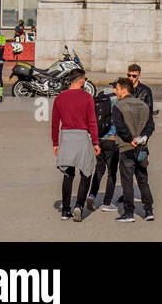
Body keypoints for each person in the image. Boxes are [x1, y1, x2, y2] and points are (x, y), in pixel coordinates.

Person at [51, 69, 100, 222]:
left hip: (66, 137)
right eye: (84, 79)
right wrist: (95, 142)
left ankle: (65, 210)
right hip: (81, 137)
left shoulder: (60, 97)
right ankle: (79, 205)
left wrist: (55, 143)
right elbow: (92, 122)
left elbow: (55, 123)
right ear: (80, 81)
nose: (85, 81)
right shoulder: (87, 97)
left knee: (68, 174)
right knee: (86, 172)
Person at [111, 76, 154, 222]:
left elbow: (120, 126)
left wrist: (130, 139)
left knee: (127, 181)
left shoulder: (118, 106)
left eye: (117, 89)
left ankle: (129, 213)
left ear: (124, 90)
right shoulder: (144, 106)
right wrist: (143, 137)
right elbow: (150, 126)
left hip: (127, 148)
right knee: (143, 180)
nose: (115, 91)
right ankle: (149, 211)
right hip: (142, 147)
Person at [86, 84, 119, 212]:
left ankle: (92, 195)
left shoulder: (99, 97)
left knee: (99, 169)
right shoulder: (116, 99)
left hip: (97, 139)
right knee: (112, 172)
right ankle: (107, 202)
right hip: (111, 139)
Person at [125, 64, 156, 138]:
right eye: (129, 75)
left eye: (134, 76)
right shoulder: (124, 89)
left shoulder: (145, 90)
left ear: (139, 76)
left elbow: (149, 111)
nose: (131, 78)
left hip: (140, 125)